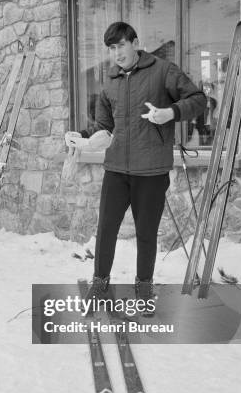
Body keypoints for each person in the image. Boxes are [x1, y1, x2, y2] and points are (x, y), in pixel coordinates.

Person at [65, 22, 206, 313]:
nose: (116, 53)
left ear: (135, 42)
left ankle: (144, 290)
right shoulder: (110, 81)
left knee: (146, 233)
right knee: (105, 229)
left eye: (121, 45)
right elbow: (105, 128)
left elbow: (198, 100)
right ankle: (100, 285)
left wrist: (170, 113)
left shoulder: (162, 71)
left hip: (151, 171)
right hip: (116, 170)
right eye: (111, 48)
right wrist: (84, 141)